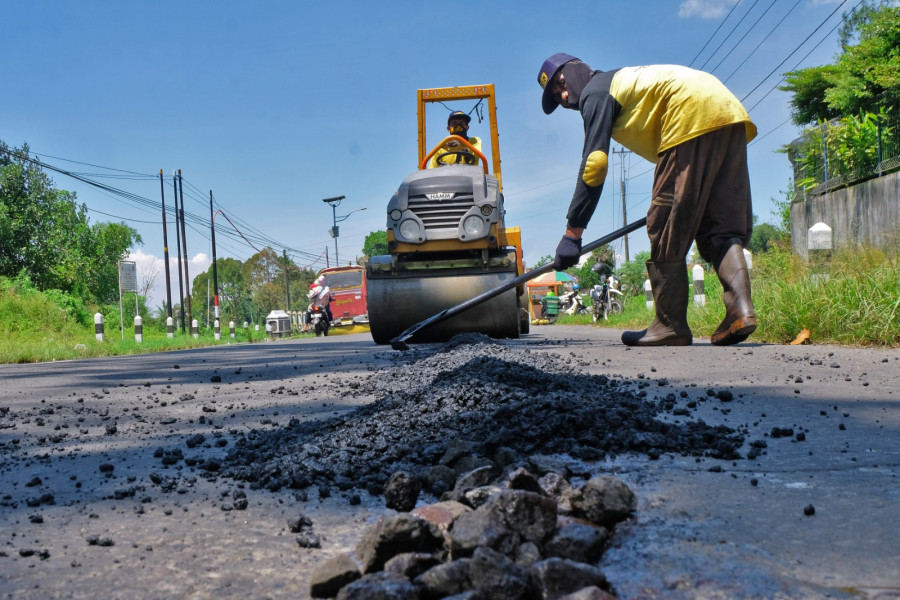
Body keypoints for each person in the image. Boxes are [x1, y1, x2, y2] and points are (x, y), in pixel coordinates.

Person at [537, 53, 758, 347]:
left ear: (577, 68)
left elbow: (595, 164)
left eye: (561, 84)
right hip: (726, 110)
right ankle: (740, 312)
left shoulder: (596, 91)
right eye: (557, 96)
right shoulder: (620, 83)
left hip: (687, 113)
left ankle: (669, 324)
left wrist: (572, 234)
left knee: (664, 223)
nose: (564, 96)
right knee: (720, 226)